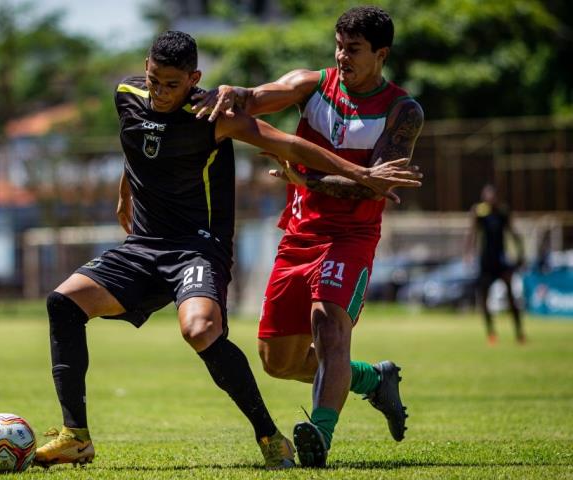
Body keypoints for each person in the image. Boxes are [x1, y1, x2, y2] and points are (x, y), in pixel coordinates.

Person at [34, 30, 422, 470]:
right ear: (145, 68)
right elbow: (138, 143)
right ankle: (76, 437)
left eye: (173, 85)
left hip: (197, 250)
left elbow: (288, 144)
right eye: (155, 80)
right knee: (62, 302)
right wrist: (125, 193)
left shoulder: (213, 115)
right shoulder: (126, 95)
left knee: (201, 330)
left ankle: (271, 437)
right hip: (142, 246)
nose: (161, 93)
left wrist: (363, 174)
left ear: (194, 78)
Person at [192, 6, 424, 467]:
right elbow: (257, 96)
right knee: (277, 360)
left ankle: (319, 434)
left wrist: (306, 182)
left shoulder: (402, 111)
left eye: (353, 50)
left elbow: (370, 185)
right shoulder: (312, 84)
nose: (342, 56)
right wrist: (232, 93)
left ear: (381, 54)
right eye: (338, 46)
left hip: (352, 237)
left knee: (329, 326)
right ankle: (372, 381)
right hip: (298, 236)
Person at [465, 184, 526, 345]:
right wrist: (468, 253)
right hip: (486, 261)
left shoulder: (503, 212)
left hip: (501, 261)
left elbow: (512, 233)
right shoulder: (479, 212)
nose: (490, 199)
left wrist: (521, 254)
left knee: (511, 296)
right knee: (484, 299)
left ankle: (519, 333)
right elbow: (471, 233)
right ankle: (491, 333)